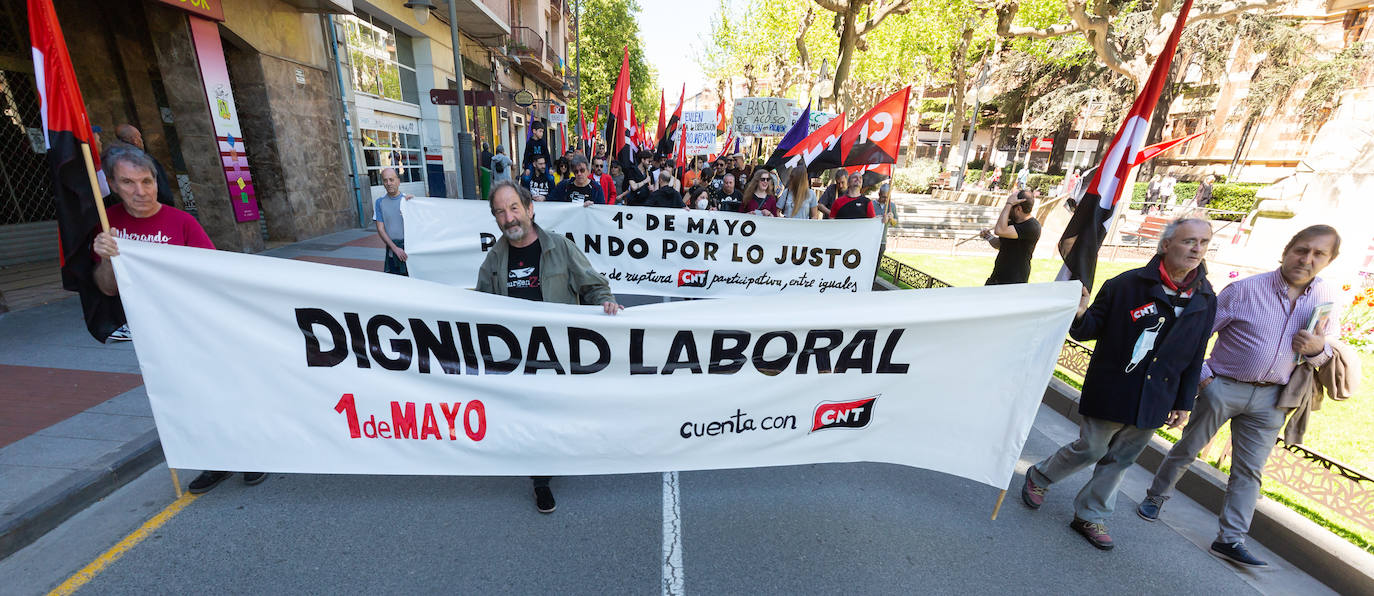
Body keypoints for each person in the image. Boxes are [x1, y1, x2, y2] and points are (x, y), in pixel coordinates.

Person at [1137, 225, 1341, 568]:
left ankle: (1230, 539)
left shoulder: (1325, 300)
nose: (1306, 259)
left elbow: (1326, 354)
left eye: (1318, 254)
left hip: (1273, 397)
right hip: (1223, 387)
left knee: (1249, 472)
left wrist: (1318, 350)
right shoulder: (1245, 290)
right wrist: (1206, 379)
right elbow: (1197, 336)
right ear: (1287, 248)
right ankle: (1156, 497)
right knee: (1188, 449)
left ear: (1329, 260)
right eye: (1301, 250)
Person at [1022, 218, 1217, 551]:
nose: (1196, 249)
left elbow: (1196, 353)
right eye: (1189, 241)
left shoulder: (1205, 297)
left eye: (1203, 242)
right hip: (1114, 388)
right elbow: (1087, 330)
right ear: (1167, 245)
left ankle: (1090, 515)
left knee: (1122, 459)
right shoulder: (1126, 285)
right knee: (1093, 448)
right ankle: (1040, 476)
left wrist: (1184, 401)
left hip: (1157, 397)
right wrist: (1080, 313)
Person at [91, 147, 266, 493]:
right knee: (187, 399)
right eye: (128, 182)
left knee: (224, 392)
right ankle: (215, 462)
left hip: (197, 327)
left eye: (146, 181)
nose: (140, 191)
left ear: (156, 182)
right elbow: (107, 289)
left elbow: (213, 275)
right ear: (111, 184)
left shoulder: (181, 222)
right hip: (154, 334)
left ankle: (253, 454)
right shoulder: (107, 224)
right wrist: (107, 258)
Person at [476, 181, 622, 514]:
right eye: (500, 212)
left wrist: (608, 302)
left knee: (559, 416)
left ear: (529, 209)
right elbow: (478, 305)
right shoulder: (494, 260)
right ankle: (541, 482)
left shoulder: (559, 248)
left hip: (558, 355)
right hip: (518, 358)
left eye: (514, 208)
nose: (509, 218)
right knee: (533, 420)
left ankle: (557, 452)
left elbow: (594, 285)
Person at [980, 190, 1042, 285]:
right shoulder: (1012, 222)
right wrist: (988, 236)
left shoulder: (1031, 226)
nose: (1008, 210)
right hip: (997, 277)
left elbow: (999, 231)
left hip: (1014, 281)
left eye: (1010, 207)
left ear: (1018, 209)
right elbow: (1000, 244)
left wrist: (1008, 204)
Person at [114, 124, 174, 207]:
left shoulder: (116, 161)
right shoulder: (145, 160)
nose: (141, 140)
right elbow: (163, 192)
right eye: (139, 137)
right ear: (135, 140)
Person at [373, 168, 412, 276]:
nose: (388, 183)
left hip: (410, 252)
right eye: (385, 180)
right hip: (392, 253)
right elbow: (380, 229)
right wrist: (395, 249)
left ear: (398, 181)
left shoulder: (408, 201)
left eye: (391, 179)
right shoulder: (379, 202)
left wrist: (415, 203)